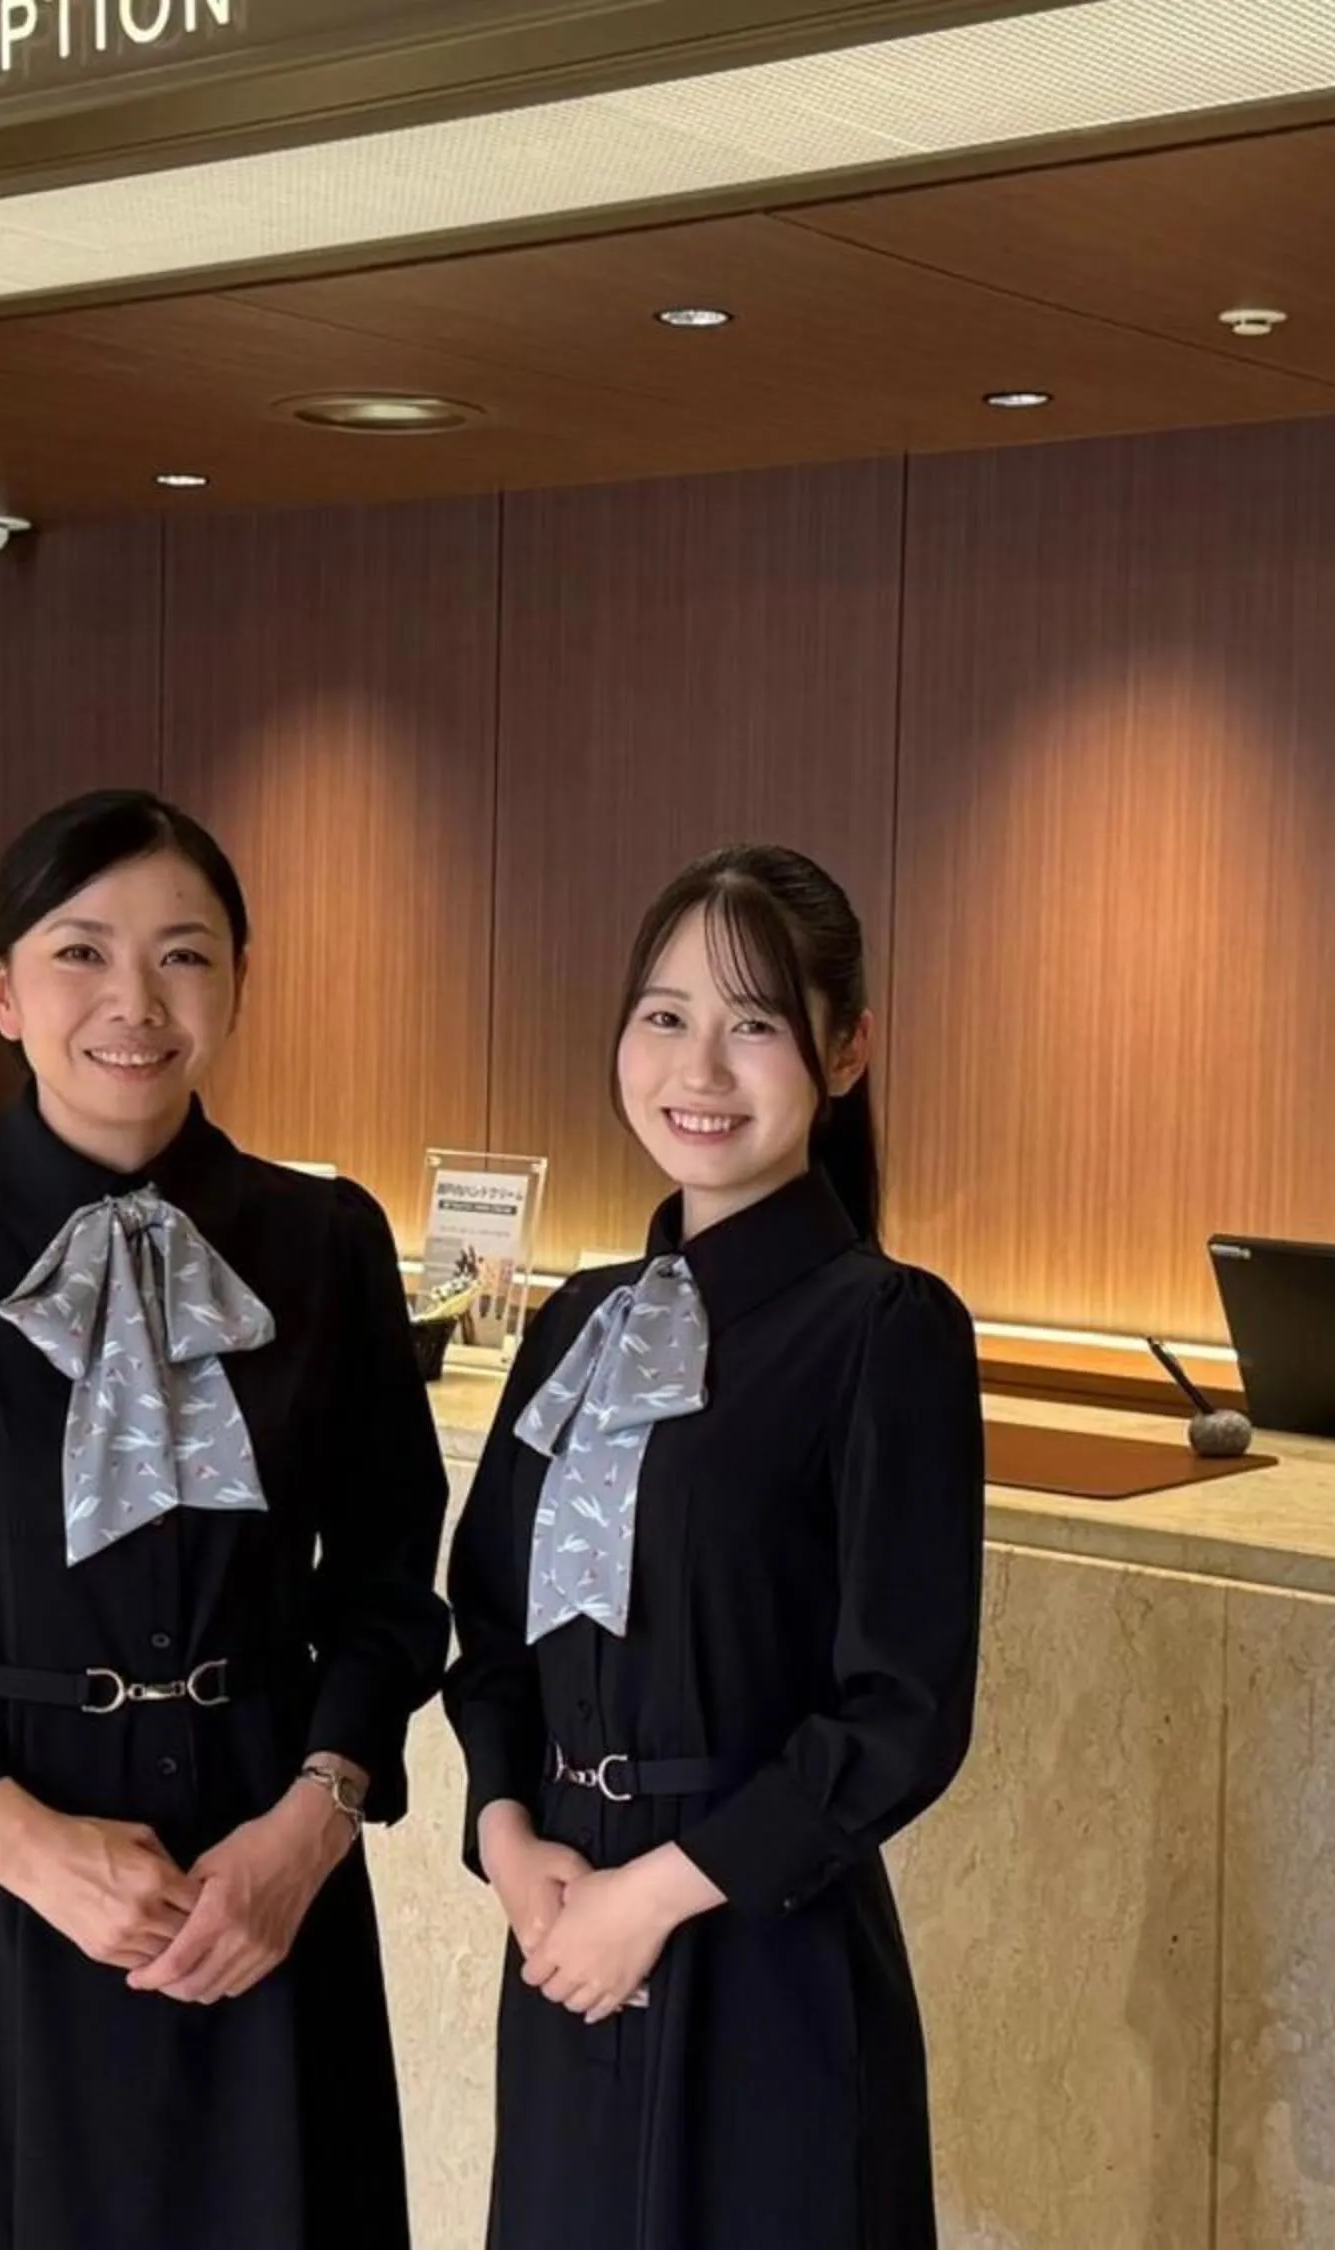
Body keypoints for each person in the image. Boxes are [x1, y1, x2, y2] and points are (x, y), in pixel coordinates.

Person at [0, 788, 451, 2250]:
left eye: (184, 954)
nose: (134, 1000)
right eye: (81, 953)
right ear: (0, 985)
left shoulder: (327, 1246)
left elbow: (389, 1583)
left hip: (261, 1880)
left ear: (241, 979)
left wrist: (311, 1829)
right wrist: (22, 1844)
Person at [445, 843, 986, 2250]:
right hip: (564, 1944)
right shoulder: (577, 1318)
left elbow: (902, 1710)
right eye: (666, 1014)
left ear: (846, 1049)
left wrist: (655, 1896)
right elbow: (492, 1628)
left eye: (755, 1021)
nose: (701, 1065)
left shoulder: (888, 1329)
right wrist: (510, 1837)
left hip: (765, 1949)